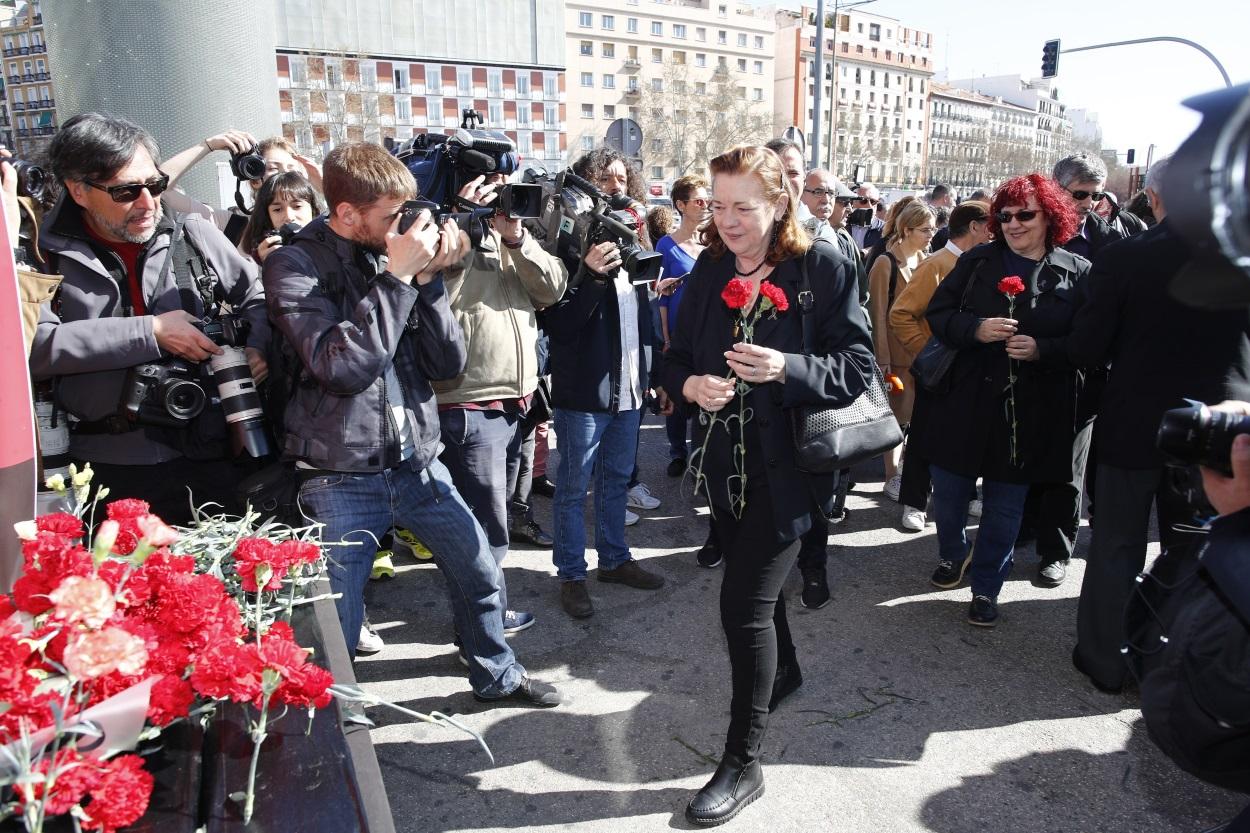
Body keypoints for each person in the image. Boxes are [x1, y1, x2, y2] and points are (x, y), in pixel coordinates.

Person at [263, 141, 560, 706]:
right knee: (338, 621)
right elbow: (341, 366)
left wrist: (426, 284)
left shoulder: (392, 255)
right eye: (389, 217)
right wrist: (398, 278)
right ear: (346, 212)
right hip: (339, 475)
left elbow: (447, 365)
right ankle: (334, 730)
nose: (405, 227)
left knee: (479, 571)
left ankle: (496, 673)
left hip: (418, 462)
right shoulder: (293, 264)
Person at [663, 145, 873, 826]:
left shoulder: (821, 266)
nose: (725, 220)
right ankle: (780, 674)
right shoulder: (711, 271)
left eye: (741, 207)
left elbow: (856, 366)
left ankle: (743, 762)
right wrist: (691, 385)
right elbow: (674, 361)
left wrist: (786, 365)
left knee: (743, 606)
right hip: (724, 468)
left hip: (792, 471)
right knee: (760, 599)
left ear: (779, 202)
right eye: (716, 205)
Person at [29, 113, 269, 524]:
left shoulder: (192, 230)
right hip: (103, 472)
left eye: (155, 184)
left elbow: (259, 297)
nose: (148, 202)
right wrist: (151, 332)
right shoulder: (38, 253)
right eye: (126, 191)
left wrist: (259, 347)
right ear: (79, 191)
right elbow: (34, 347)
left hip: (213, 452)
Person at [1066, 157, 1250, 693]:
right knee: (1201, 549)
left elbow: (1086, 347)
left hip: (1136, 423)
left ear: (1153, 197)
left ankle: (1105, 661)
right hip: (1220, 429)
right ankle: (1183, 662)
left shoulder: (1125, 258)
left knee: (1117, 545)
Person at [919, 173, 1090, 627]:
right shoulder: (977, 261)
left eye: (1025, 215)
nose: (1013, 224)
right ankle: (954, 553)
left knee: (1005, 506)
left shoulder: (1076, 272)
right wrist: (974, 329)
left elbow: (1089, 344)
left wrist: (1043, 350)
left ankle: (987, 586)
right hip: (965, 401)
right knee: (950, 494)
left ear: (1050, 216)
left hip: (1030, 412)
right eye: (1006, 216)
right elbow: (938, 314)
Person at [433, 172, 568, 636]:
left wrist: (516, 238)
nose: (503, 203)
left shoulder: (514, 239)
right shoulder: (450, 235)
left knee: (494, 522)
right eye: (493, 193)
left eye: (508, 193)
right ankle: (478, 631)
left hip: (516, 400)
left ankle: (486, 617)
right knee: (479, 529)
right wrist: (463, 225)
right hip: (470, 402)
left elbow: (553, 288)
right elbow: (434, 298)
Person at [544, 147, 670, 620]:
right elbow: (560, 327)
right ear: (584, 188)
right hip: (585, 395)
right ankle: (571, 574)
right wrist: (592, 275)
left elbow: (646, 319)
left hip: (631, 390)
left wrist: (657, 377)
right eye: (606, 179)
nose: (617, 186)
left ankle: (614, 560)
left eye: (623, 178)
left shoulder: (634, 245)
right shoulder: (565, 248)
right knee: (575, 487)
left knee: (617, 480)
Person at [888, 200, 992, 531]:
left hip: (971, 370)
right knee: (923, 438)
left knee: (968, 435)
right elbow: (900, 314)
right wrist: (927, 352)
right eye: (990, 223)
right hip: (938, 371)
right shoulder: (936, 263)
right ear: (974, 226)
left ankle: (964, 497)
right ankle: (914, 502)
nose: (996, 230)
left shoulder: (984, 262)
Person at [869, 199, 935, 499]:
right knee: (895, 417)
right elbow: (877, 314)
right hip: (894, 358)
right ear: (907, 230)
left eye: (934, 229)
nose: (931, 235)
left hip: (920, 354)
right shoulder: (885, 263)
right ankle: (891, 476)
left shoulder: (925, 260)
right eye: (925, 229)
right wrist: (881, 358)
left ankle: (906, 472)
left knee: (916, 416)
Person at [656, 174, 709, 480]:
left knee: (703, 396)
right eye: (699, 201)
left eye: (707, 200)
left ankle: (701, 455)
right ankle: (678, 452)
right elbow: (659, 296)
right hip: (677, 333)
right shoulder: (666, 245)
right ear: (681, 205)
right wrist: (665, 337)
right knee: (676, 395)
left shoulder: (710, 243)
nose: (705, 206)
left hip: (707, 334)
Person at [238, 171, 322, 263]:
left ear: (313, 209)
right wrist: (263, 264)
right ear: (267, 216)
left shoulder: (332, 242)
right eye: (277, 210)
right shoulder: (256, 256)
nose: (289, 217)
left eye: (297, 206)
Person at [848, 183, 885, 252]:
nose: (869, 205)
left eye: (873, 201)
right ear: (853, 202)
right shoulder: (843, 224)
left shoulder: (885, 229)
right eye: (863, 201)